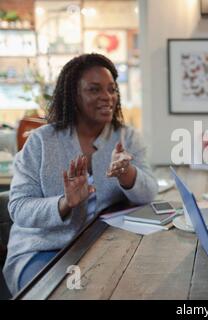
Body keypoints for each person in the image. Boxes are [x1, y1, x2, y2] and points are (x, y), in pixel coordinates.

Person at [3, 53, 158, 295]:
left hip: (99, 248)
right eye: (94, 90)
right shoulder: (41, 142)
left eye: (111, 89)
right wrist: (65, 203)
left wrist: (127, 173)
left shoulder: (126, 137)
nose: (106, 97)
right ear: (73, 96)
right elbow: (19, 208)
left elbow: (150, 192)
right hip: (42, 251)